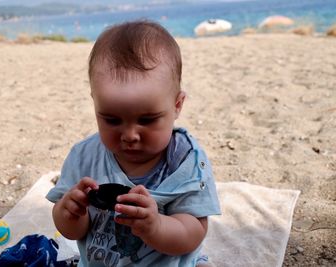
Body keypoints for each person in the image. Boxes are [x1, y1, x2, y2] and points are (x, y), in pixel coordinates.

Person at [46, 20, 221, 266]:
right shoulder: (83, 157)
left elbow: (193, 233)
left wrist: (156, 226)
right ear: (95, 104)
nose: (129, 135)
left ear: (177, 105)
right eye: (112, 120)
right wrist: (70, 212)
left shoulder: (185, 164)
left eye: (147, 120)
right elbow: (73, 232)